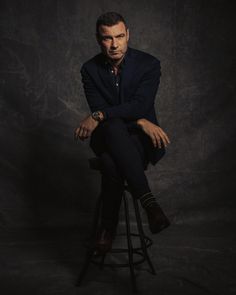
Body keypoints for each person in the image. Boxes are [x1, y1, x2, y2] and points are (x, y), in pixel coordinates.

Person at [74, 12, 171, 255]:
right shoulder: (89, 69)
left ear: (128, 35)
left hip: (140, 142)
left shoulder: (149, 64)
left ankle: (106, 230)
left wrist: (104, 116)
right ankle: (151, 205)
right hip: (109, 135)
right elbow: (104, 110)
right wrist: (139, 121)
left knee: (110, 162)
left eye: (119, 36)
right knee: (112, 127)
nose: (115, 44)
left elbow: (139, 104)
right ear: (99, 39)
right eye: (107, 38)